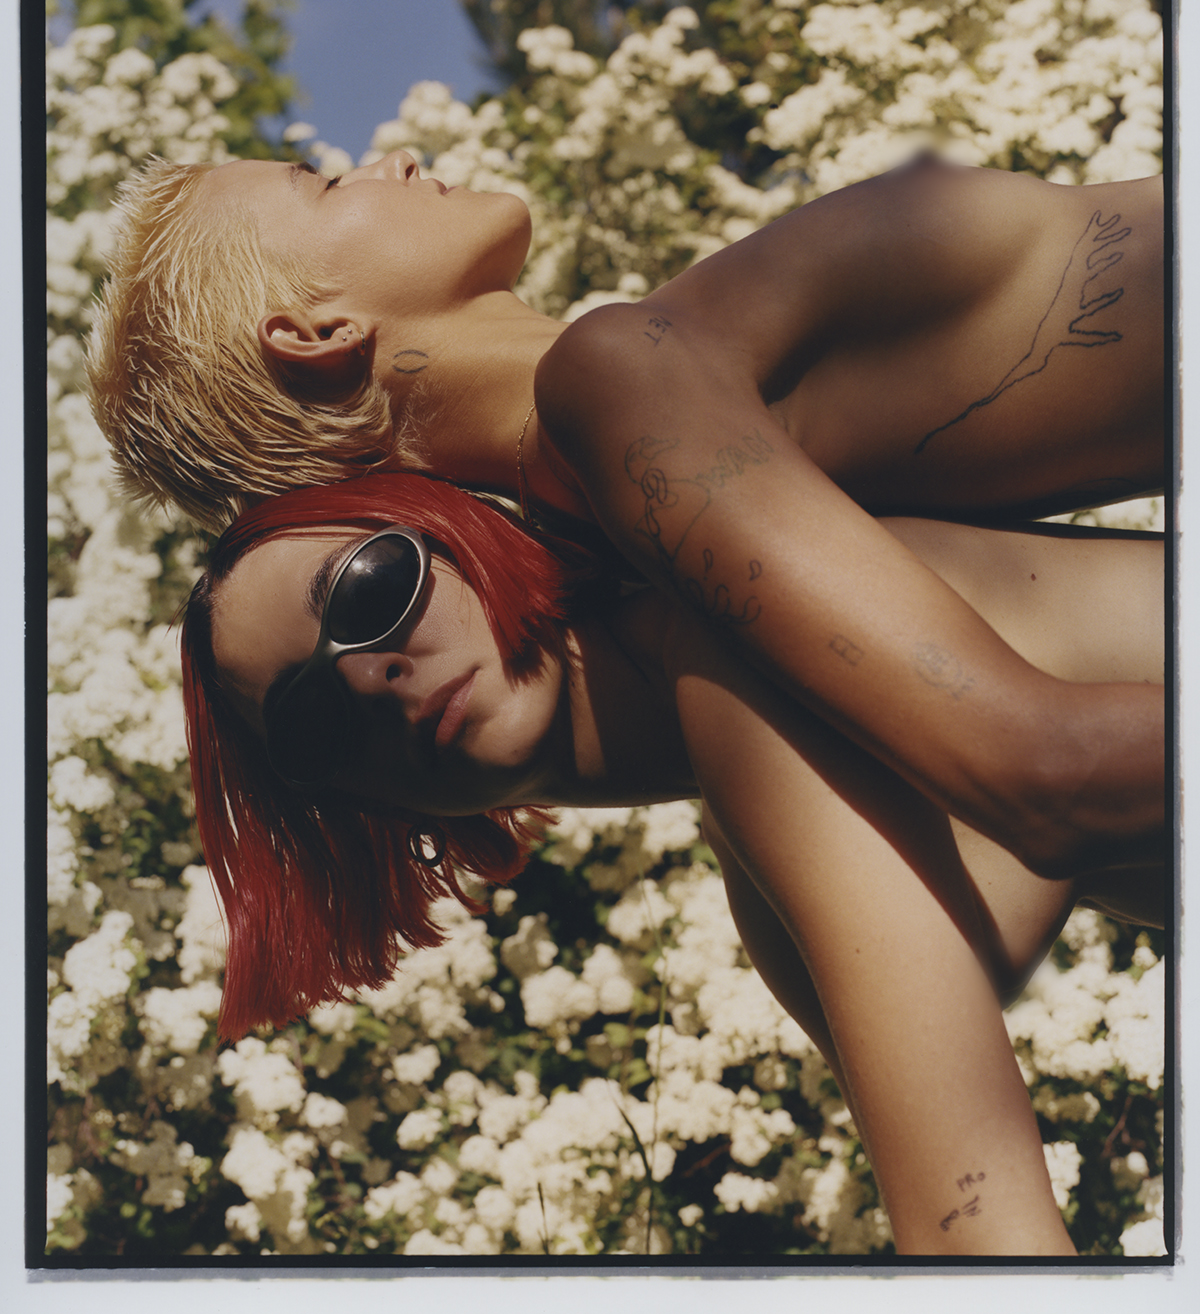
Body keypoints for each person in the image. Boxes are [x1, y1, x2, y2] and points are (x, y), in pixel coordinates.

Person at [89, 148, 1166, 878]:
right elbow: (1044, 773)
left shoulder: (641, 496)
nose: (396, 159)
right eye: (326, 183)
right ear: (313, 331)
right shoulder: (622, 398)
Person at [181, 470, 1163, 1256]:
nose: (369, 674)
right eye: (312, 720)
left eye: (370, 588)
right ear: (357, 804)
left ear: (462, 524)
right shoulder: (765, 881)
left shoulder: (749, 648)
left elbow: (977, 1242)